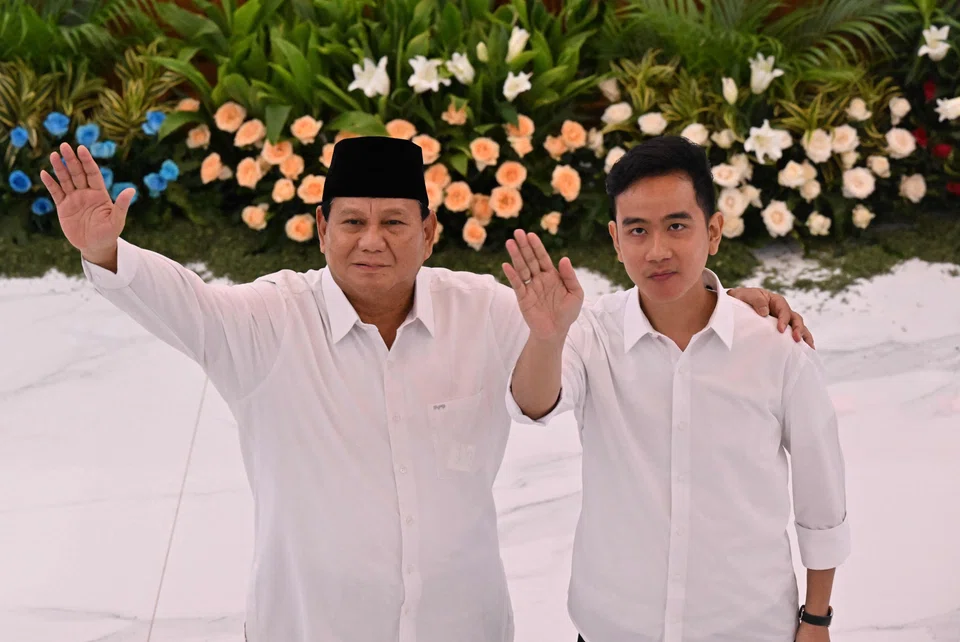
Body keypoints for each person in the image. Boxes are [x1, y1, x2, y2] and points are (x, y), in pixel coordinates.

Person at [40, 136, 810, 642]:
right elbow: (187, 302)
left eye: (394, 222)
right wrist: (108, 249)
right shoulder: (270, 323)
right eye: (352, 222)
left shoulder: (485, 311)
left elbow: (595, 321)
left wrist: (720, 296)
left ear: (430, 232)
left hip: (464, 626)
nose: (371, 241)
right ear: (321, 227)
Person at [503, 136, 848, 642]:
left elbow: (822, 496)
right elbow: (532, 406)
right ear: (616, 241)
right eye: (637, 230)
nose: (657, 250)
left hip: (747, 627)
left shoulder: (776, 348)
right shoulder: (591, 335)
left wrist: (816, 619)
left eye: (677, 226)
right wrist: (547, 336)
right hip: (612, 628)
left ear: (713, 231)